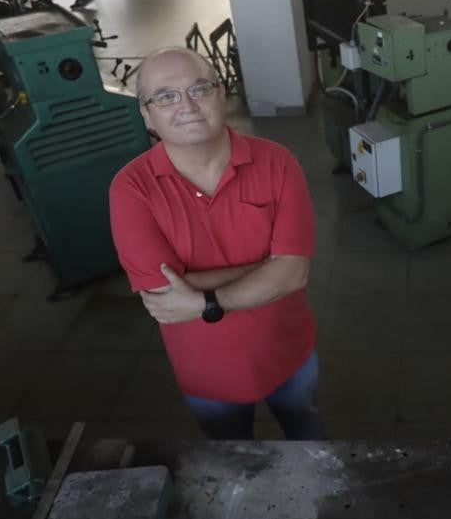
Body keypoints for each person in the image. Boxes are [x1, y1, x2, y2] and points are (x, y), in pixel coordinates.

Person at [108, 47, 324, 440]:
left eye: (199, 89)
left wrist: (203, 300)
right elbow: (162, 293)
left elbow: (294, 272)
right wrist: (269, 266)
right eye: (165, 96)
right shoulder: (131, 188)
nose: (186, 105)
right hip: (206, 372)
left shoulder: (278, 163)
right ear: (146, 114)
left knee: (308, 437)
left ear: (221, 94)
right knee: (229, 462)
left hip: (288, 354)